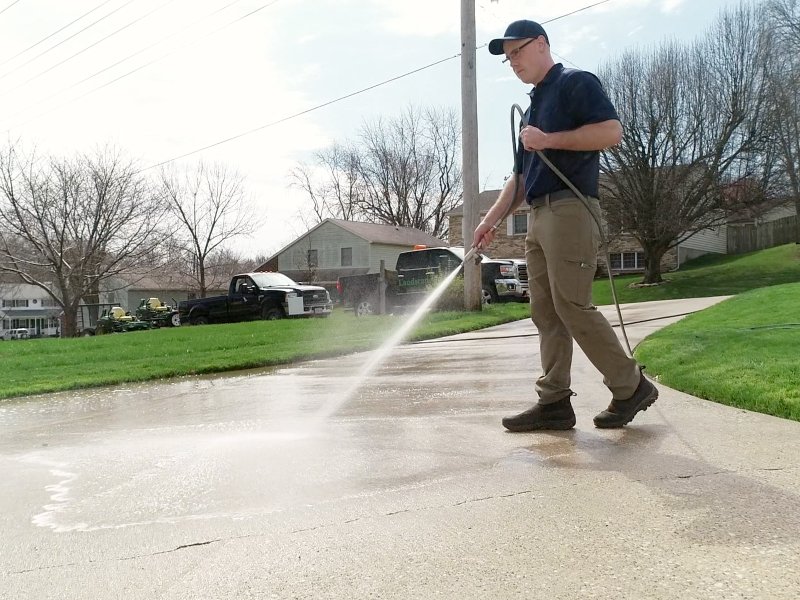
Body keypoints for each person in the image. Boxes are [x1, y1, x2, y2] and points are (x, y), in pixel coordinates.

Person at [474, 20, 658, 432]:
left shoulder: (576, 82)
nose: (513, 62)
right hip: (538, 215)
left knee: (572, 305)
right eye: (508, 59)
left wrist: (548, 139)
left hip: (571, 208)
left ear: (541, 44)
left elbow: (612, 132)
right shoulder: (534, 106)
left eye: (517, 51)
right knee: (545, 312)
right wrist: (489, 221)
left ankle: (631, 387)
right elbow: (519, 180)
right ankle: (554, 402)